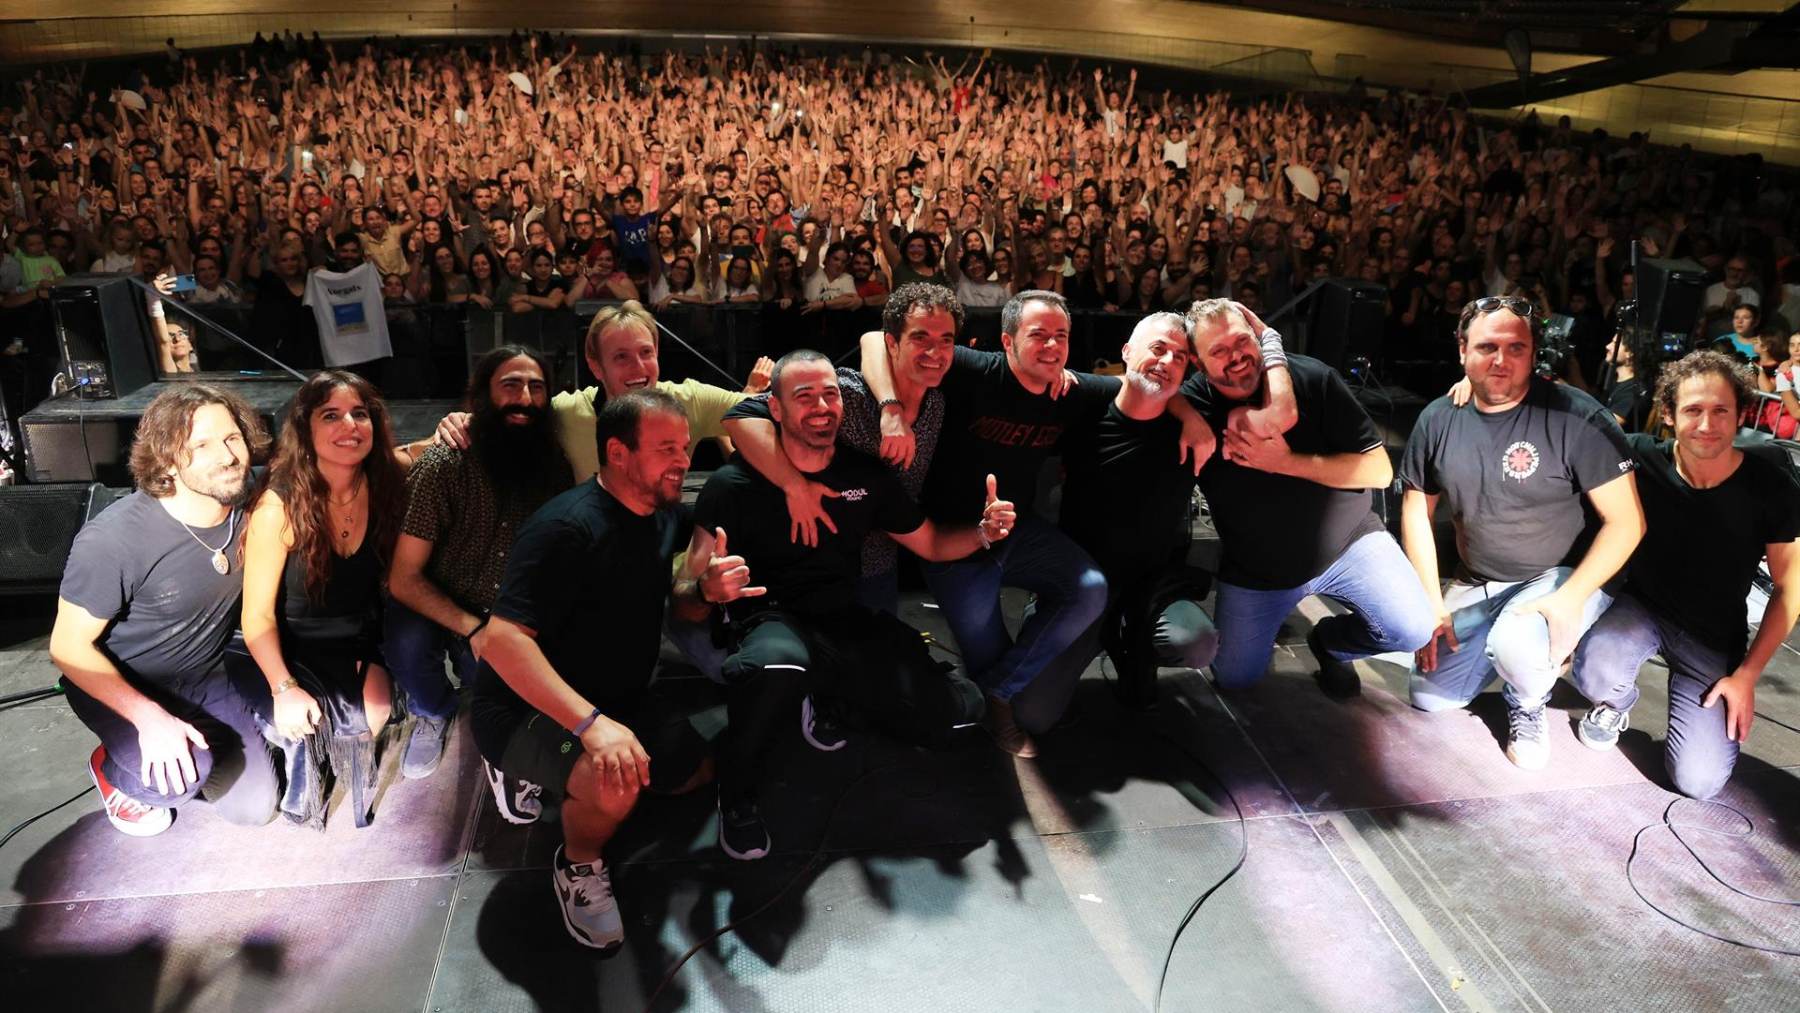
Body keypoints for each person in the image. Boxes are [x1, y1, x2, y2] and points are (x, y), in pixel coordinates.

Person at [856, 290, 1216, 751]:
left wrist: (1188, 412)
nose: (1051, 346)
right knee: (990, 656)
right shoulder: (973, 371)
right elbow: (872, 337)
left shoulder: (1072, 391)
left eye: (1060, 336)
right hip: (953, 540)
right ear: (1007, 342)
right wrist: (889, 409)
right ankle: (986, 693)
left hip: (1018, 531)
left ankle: (995, 693)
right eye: (1038, 335)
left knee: (1088, 588)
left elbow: (1146, 387)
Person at [469, 389, 752, 950]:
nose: (684, 460)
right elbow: (500, 641)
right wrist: (591, 725)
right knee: (616, 781)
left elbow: (681, 604)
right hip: (523, 709)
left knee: (692, 773)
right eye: (666, 448)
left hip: (622, 697)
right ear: (619, 454)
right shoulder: (565, 528)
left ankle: (585, 782)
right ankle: (578, 863)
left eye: (685, 445)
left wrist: (705, 589)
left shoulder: (660, 513)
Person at [692, 350, 999, 859]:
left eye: (830, 393)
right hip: (771, 619)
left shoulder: (867, 475)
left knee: (956, 712)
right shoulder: (732, 484)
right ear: (776, 410)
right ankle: (738, 791)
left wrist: (984, 534)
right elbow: (688, 590)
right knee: (778, 665)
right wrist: (707, 589)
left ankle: (828, 698)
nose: (821, 405)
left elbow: (932, 544)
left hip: (841, 619)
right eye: (803, 395)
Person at [1401, 296, 1644, 770]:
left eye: (1516, 348)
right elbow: (1415, 509)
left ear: (1534, 352)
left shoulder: (1576, 415)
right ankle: (1515, 646)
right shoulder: (1438, 417)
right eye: (1487, 346)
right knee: (1429, 696)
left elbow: (1628, 521)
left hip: (1558, 576)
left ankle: (1527, 700)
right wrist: (1430, 602)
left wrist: (1571, 598)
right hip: (1479, 579)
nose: (1501, 360)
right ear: (1462, 350)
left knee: (1516, 645)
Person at [49, 384, 279, 836]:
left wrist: (436, 438)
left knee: (255, 809)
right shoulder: (114, 539)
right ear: (167, 459)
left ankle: (196, 745)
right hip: (124, 684)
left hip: (205, 676)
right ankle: (113, 770)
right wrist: (148, 718)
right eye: (201, 445)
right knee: (178, 781)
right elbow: (67, 646)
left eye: (232, 438)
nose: (227, 456)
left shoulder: (250, 496)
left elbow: (331, 464)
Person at [1571, 350, 1800, 798]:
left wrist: (1748, 674)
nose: (1707, 424)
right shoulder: (1638, 457)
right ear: (1670, 415)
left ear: (1740, 415)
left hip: (1713, 636)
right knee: (1596, 669)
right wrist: (1480, 389)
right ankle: (1615, 704)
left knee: (1699, 782)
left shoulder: (1770, 486)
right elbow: (1572, 426)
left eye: (1720, 411)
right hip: (1641, 608)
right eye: (1693, 410)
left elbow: (1791, 585)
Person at [1184, 298, 1436, 697]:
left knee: (1412, 628)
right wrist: (1181, 412)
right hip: (1257, 571)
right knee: (1235, 678)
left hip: (1348, 543)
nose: (1236, 357)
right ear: (1198, 364)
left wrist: (1285, 462)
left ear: (1258, 337)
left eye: (1241, 341)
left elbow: (1380, 470)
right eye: (1219, 351)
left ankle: (1330, 643)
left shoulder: (1312, 377)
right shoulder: (1196, 404)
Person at [388, 347, 573, 787]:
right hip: (432, 596)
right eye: (510, 385)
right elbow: (403, 578)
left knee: (502, 687)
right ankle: (432, 711)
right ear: (481, 397)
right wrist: (472, 629)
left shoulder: (553, 469)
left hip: (502, 607)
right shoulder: (445, 463)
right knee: (408, 647)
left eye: (536, 387)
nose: (524, 398)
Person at [234, 371, 407, 827]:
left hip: (360, 634)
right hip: (293, 645)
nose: (349, 425)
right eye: (331, 415)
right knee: (305, 729)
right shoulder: (279, 506)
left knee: (374, 713)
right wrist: (283, 687)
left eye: (360, 414)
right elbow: (256, 616)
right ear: (306, 430)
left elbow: (424, 451)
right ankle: (273, 728)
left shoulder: (386, 479)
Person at [721, 283, 959, 613]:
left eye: (945, 340)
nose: (934, 352)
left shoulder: (936, 404)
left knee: (876, 657)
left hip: (878, 565)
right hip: (814, 563)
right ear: (893, 343)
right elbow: (739, 416)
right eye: (920, 338)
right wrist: (796, 486)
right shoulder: (847, 394)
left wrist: (985, 532)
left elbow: (871, 338)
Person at [1051, 313, 1222, 712]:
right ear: (1126, 352)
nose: (1167, 362)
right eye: (1158, 349)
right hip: (1081, 584)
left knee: (1197, 643)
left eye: (1180, 357)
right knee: (1034, 711)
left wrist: (1189, 414)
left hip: (1150, 587)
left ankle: (1134, 644)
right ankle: (1102, 635)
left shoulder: (1193, 427)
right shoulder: (1086, 408)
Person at [430, 302, 768, 483]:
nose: (638, 368)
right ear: (595, 365)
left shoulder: (689, 399)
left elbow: (765, 409)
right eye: (620, 357)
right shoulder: (566, 411)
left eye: (645, 353)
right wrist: (462, 421)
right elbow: (506, 419)